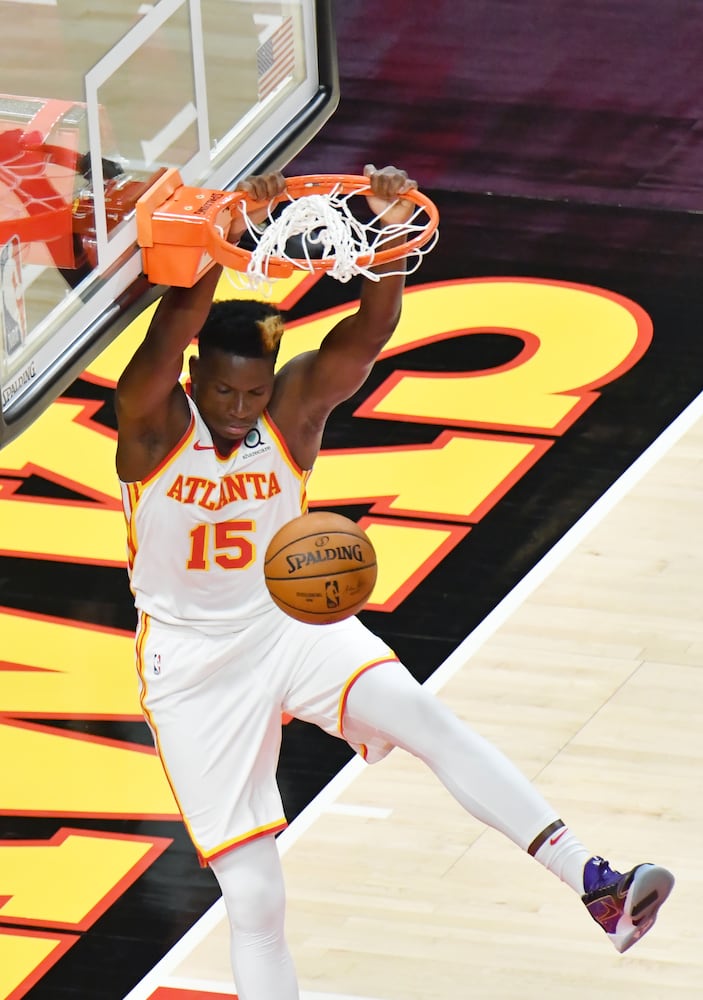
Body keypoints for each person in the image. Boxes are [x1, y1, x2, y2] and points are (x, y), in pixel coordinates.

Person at [115, 165, 674, 999]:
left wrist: (382, 232)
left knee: (424, 718)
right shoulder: (151, 425)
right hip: (193, 665)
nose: (237, 406)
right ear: (195, 378)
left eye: (253, 391)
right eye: (223, 390)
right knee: (255, 896)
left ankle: (593, 883)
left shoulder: (290, 411)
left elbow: (372, 328)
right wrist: (221, 235)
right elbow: (174, 325)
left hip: (284, 624)